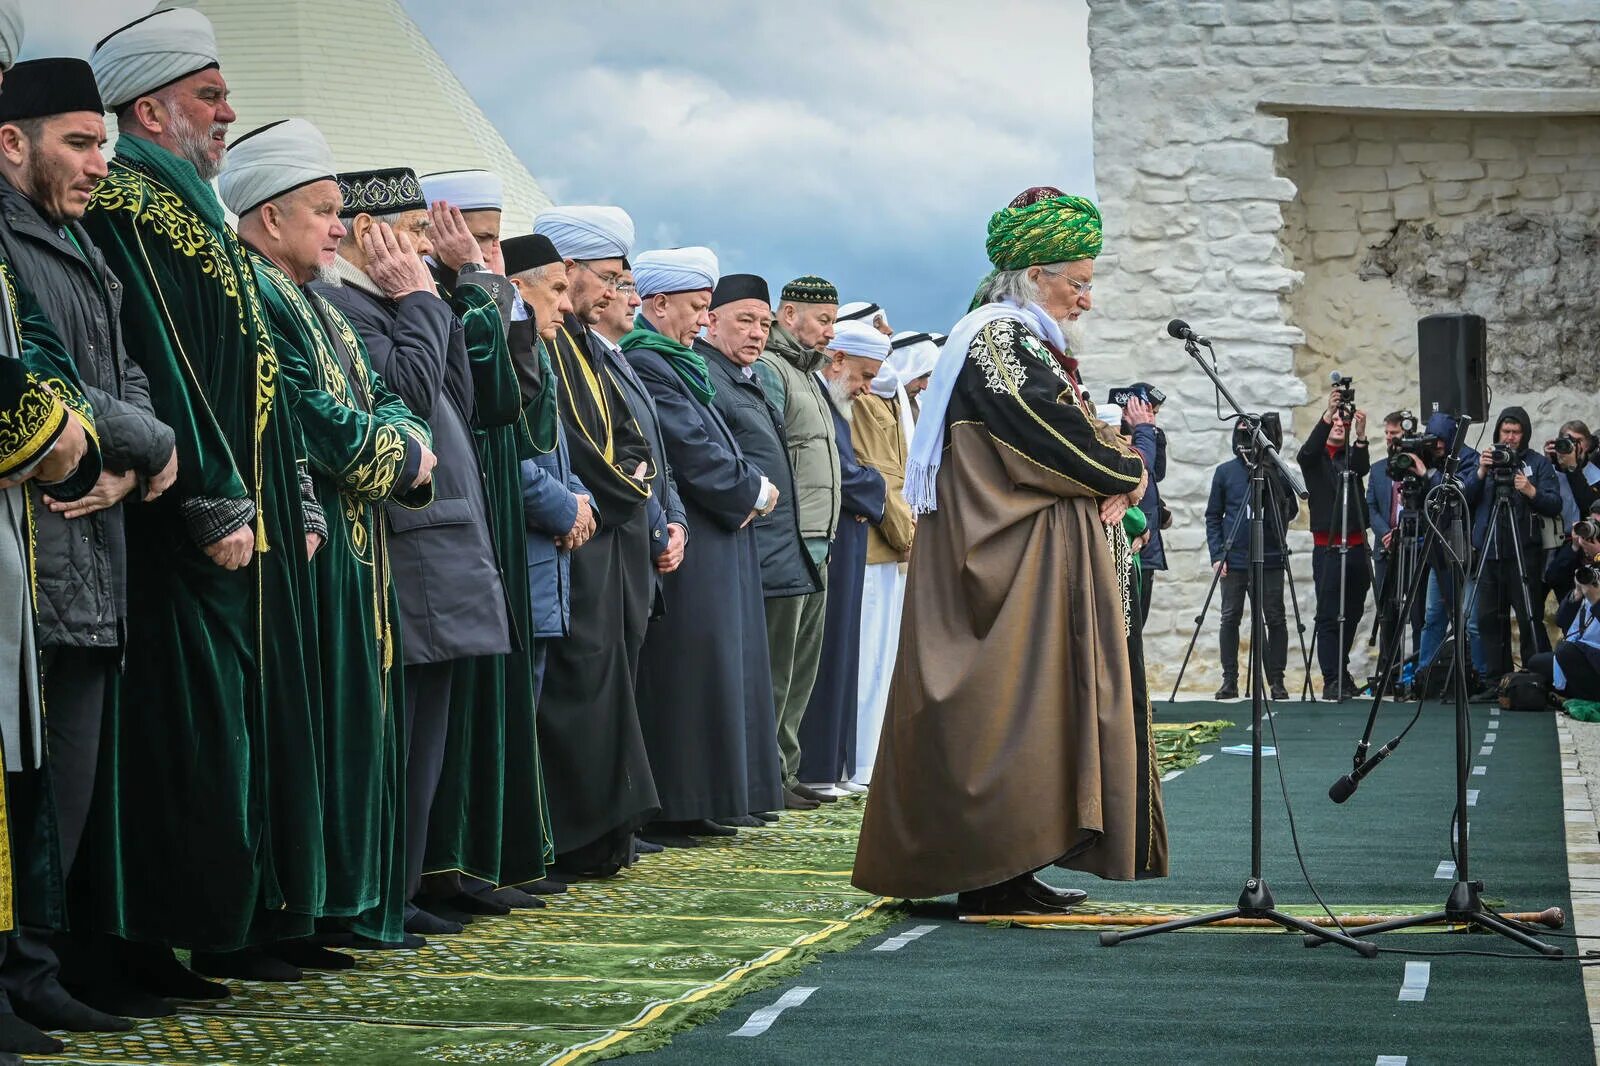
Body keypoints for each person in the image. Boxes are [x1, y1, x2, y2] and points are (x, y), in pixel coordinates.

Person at [79, 6, 330, 998]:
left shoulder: (193, 212)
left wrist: (290, 493)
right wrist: (218, 497)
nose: (229, 114)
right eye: (210, 95)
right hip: (176, 523)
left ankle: (201, 930)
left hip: (234, 518)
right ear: (153, 107)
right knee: (174, 739)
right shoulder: (138, 207)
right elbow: (169, 364)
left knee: (221, 737)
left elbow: (259, 379)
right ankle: (138, 943)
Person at [854, 187, 1159, 916]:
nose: (1086, 299)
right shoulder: (999, 340)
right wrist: (1127, 471)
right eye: (1077, 282)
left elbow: (1082, 437)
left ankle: (1015, 864)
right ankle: (990, 868)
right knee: (1002, 711)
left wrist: (1122, 470)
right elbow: (1065, 438)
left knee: (1035, 712)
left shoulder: (1024, 339)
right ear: (1035, 276)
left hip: (1029, 559)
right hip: (1002, 563)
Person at [220, 120, 440, 952]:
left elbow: (387, 399)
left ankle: (340, 906)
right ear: (270, 218)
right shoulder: (253, 293)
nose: (339, 229)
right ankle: (292, 918)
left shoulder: (322, 306)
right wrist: (404, 454)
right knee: (307, 742)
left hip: (354, 559)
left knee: (353, 741)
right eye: (323, 212)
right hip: (301, 561)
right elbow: (317, 422)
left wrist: (402, 440)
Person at [0, 55, 176, 1040]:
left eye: (103, 144)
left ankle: (32, 970)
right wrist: (151, 450)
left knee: (60, 793)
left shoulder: (84, 246)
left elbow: (131, 378)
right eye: (79, 142)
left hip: (87, 554)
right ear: (12, 143)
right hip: (31, 556)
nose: (101, 164)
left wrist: (138, 450)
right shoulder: (7, 240)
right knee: (20, 793)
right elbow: (42, 376)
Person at [312, 165, 512, 937]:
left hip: (445, 542)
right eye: (417, 232)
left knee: (427, 736)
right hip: (408, 545)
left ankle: (402, 889)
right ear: (369, 233)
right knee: (398, 736)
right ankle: (379, 899)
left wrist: (456, 291)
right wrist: (425, 301)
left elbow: (470, 399)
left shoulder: (397, 302)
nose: (426, 248)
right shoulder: (341, 305)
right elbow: (410, 389)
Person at [411, 170, 553, 918]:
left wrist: (496, 292)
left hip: (487, 500)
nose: (489, 252)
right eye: (478, 236)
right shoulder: (434, 296)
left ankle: (477, 858)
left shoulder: (481, 292)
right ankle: (441, 865)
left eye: (495, 238)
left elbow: (526, 409)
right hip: (456, 509)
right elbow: (476, 385)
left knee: (489, 697)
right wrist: (476, 281)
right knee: (455, 703)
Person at [622, 248, 784, 842]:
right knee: (689, 670)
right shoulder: (650, 361)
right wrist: (751, 492)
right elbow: (689, 450)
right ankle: (682, 802)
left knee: (721, 668)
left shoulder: (680, 365)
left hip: (715, 535)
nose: (700, 320)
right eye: (695, 308)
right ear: (657, 304)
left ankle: (711, 797)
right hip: (696, 538)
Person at [530, 205, 660, 876]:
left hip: (606, 540)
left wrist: (631, 485)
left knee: (606, 686)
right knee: (574, 692)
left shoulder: (583, 344)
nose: (613, 292)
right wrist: (621, 491)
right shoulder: (546, 340)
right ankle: (575, 839)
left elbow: (630, 438)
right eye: (605, 278)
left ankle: (606, 834)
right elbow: (573, 446)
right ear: (568, 270)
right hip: (576, 541)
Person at [702, 275, 822, 811]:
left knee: (790, 670)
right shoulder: (713, 374)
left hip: (787, 544)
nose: (756, 333)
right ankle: (762, 779)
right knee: (766, 672)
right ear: (712, 318)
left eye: (763, 324)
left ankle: (779, 773)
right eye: (744, 321)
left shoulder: (747, 376)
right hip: (758, 541)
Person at [755, 276, 841, 807]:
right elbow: (768, 452)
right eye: (823, 320)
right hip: (790, 534)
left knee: (803, 661)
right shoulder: (772, 370)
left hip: (818, 534)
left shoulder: (809, 375)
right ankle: (768, 773)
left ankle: (786, 769)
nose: (831, 331)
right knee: (778, 661)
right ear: (789, 315)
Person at [797, 322, 887, 796]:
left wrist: (868, 481)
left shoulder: (838, 400)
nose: (866, 388)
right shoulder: (816, 392)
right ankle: (814, 768)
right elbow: (844, 473)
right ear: (838, 361)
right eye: (863, 375)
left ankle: (831, 766)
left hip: (850, 537)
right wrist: (874, 487)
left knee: (846, 652)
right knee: (826, 652)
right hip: (831, 538)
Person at [503, 232, 592, 698]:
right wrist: (567, 509)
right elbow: (500, 456)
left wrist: (582, 501)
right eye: (557, 290)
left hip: (545, 568)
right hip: (517, 569)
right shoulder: (496, 352)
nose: (567, 305)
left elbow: (555, 451)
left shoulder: (539, 353)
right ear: (517, 288)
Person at [849, 333, 916, 786]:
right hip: (874, 544)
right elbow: (873, 475)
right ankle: (858, 760)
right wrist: (906, 533)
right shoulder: (861, 401)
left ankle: (870, 758)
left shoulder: (892, 401)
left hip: (895, 545)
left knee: (882, 662)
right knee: (865, 658)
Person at [1461, 406, 1562, 696]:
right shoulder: (1488, 461)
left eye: (1516, 432)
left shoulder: (1538, 464)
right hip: (1489, 553)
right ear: (1498, 433)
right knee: (1489, 620)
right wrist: (1481, 471)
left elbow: (1554, 504)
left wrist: (1530, 490)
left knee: (1529, 616)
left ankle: (1536, 679)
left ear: (1525, 434)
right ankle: (1497, 683)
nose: (1510, 437)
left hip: (1524, 553)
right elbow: (1465, 499)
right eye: (1506, 431)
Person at [1206, 421, 1298, 701]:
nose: (1247, 441)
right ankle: (1229, 680)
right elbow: (1213, 516)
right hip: (1233, 559)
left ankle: (1277, 681)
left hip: (1269, 556)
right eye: (1243, 435)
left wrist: (1273, 480)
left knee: (1275, 617)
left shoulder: (1277, 472)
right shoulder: (1225, 472)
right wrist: (1217, 554)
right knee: (1229, 617)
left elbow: (1291, 509)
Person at [1296, 386, 1372, 701]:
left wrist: (1361, 435)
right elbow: (1306, 453)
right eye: (1335, 424)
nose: (1340, 425)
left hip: (1356, 547)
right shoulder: (1316, 461)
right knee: (1329, 614)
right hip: (1328, 547)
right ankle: (1331, 679)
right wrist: (1328, 415)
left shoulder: (1348, 460)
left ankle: (1342, 672)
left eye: (1344, 422)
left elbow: (1363, 467)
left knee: (1352, 612)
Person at [1526, 567, 1600, 702]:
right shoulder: (1589, 589)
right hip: (1582, 653)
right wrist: (1577, 593)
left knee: (1565, 651)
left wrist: (1595, 599)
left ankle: (1583, 695)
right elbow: (1561, 621)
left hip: (1594, 655)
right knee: (1535, 663)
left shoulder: (1594, 595)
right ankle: (1578, 693)